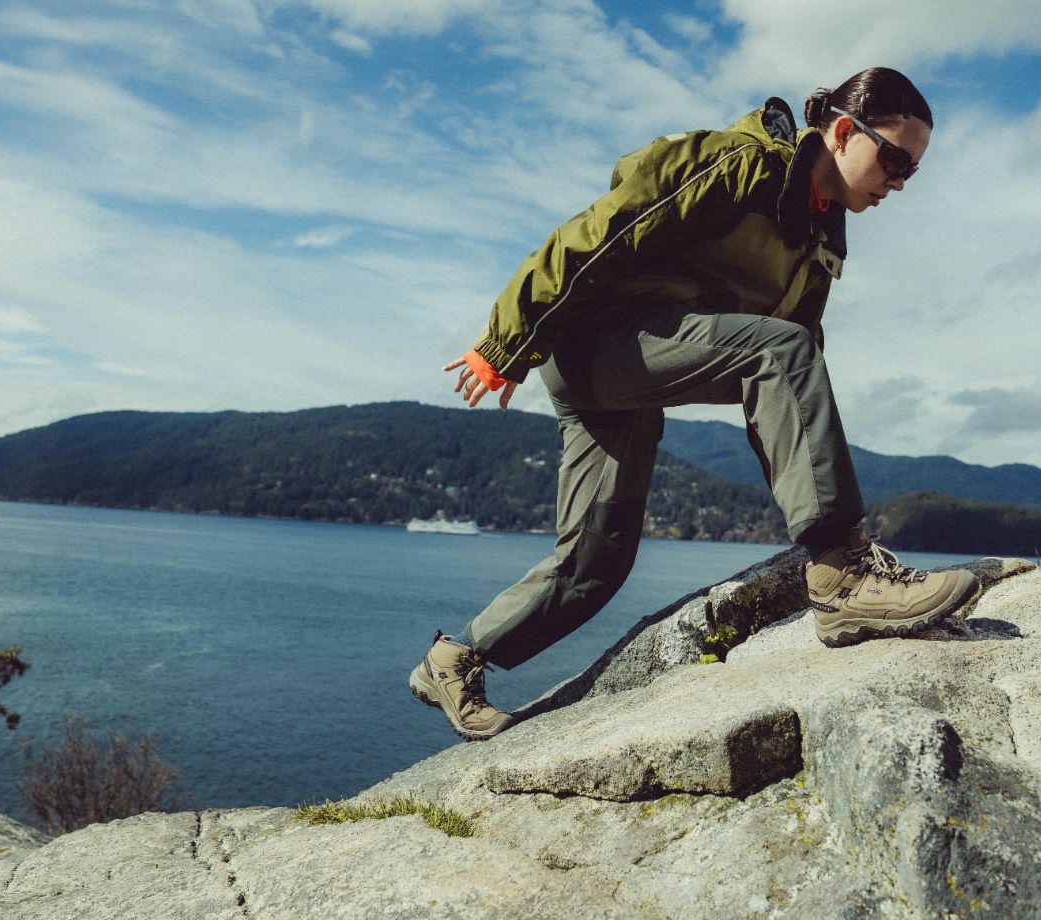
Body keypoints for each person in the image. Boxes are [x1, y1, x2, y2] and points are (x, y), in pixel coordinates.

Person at [407, 67, 979, 742]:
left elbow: (789, 392)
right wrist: (508, 341)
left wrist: (807, 490)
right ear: (844, 131)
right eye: (894, 160)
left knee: (596, 564)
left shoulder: (819, 241)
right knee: (783, 349)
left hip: (640, 367)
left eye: (912, 171)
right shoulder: (736, 164)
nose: (900, 182)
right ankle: (843, 579)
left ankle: (454, 658)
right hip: (596, 342)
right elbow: (599, 233)